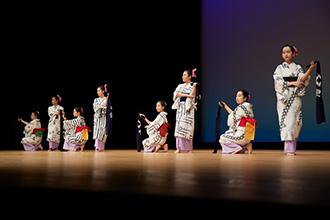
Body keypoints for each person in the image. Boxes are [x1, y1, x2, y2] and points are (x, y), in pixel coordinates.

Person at [273, 44, 317, 155]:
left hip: (295, 97)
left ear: (293, 53)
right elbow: (277, 82)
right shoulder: (279, 68)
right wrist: (293, 83)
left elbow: (303, 78)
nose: (286, 54)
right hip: (284, 98)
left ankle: (291, 148)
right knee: (286, 123)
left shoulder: (297, 67)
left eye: (288, 52)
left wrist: (310, 69)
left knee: (295, 122)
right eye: (283, 52)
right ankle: (289, 149)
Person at [172, 69, 197, 153]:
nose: (183, 76)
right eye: (183, 75)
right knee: (179, 127)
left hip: (188, 108)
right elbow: (176, 94)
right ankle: (178, 148)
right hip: (181, 107)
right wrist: (186, 95)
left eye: (185, 75)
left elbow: (193, 96)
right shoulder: (180, 86)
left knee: (187, 127)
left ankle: (189, 148)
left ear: (190, 76)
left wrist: (194, 87)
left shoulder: (192, 85)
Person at [93, 85, 109, 152]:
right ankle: (96, 147)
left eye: (99, 91)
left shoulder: (106, 99)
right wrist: (103, 107)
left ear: (103, 91)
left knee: (102, 132)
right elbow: (95, 107)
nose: (98, 92)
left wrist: (105, 107)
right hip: (97, 118)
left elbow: (108, 108)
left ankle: (101, 148)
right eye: (97, 91)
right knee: (97, 132)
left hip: (104, 118)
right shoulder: (96, 100)